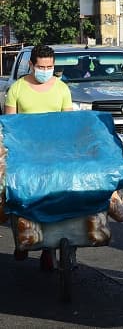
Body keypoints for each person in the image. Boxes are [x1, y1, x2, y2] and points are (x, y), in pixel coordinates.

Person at [5, 44, 73, 270]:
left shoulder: (62, 89)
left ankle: (48, 248)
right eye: (41, 66)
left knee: (54, 200)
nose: (46, 70)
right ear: (31, 65)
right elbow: (10, 125)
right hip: (24, 156)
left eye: (50, 66)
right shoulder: (17, 88)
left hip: (54, 156)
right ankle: (22, 240)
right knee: (21, 198)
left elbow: (68, 124)